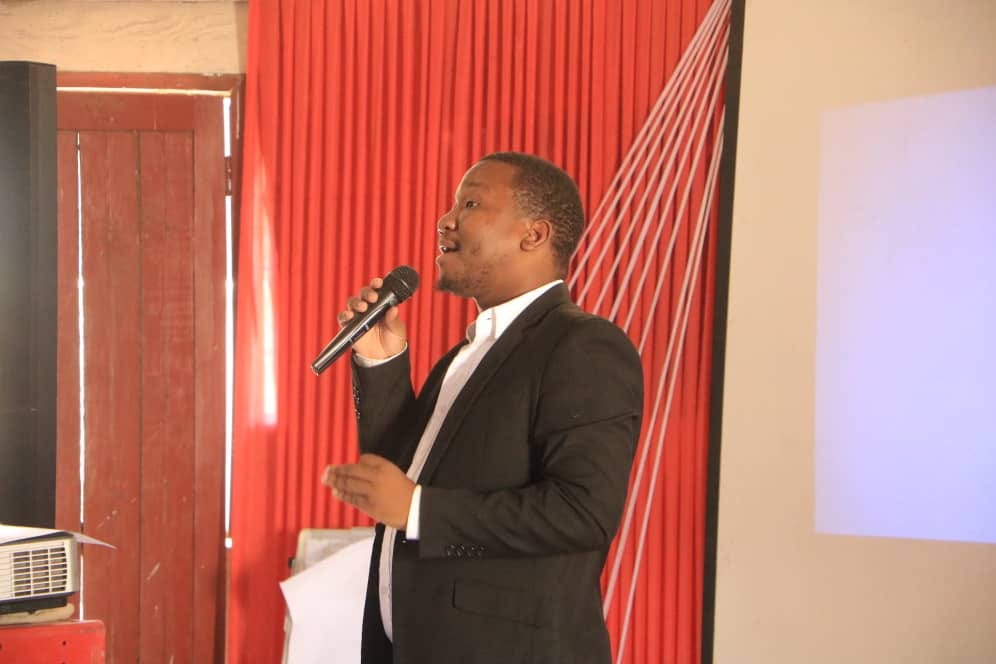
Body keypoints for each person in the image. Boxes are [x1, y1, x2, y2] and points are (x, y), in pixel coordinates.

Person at [324, 152, 644, 664]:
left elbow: (583, 512)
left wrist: (420, 510)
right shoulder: (466, 356)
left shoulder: (583, 346)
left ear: (533, 234)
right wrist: (382, 363)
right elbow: (397, 482)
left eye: (470, 204)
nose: (445, 220)